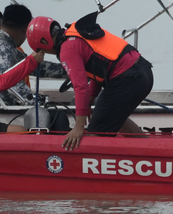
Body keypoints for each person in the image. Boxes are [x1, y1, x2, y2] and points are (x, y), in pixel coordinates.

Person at [28, 13, 150, 150]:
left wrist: (78, 127)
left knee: (94, 136)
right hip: (143, 71)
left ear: (45, 42)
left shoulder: (67, 49)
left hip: (127, 79)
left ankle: (147, 155)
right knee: (113, 117)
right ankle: (151, 148)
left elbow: (80, 87)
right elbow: (99, 70)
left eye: (40, 49)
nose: (43, 53)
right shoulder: (77, 32)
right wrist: (89, 102)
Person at [0, 4, 68, 108]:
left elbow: (41, 67)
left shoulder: (5, 46)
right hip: (2, 111)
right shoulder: (2, 50)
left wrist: (72, 69)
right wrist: (41, 101)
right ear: (25, 29)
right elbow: (16, 90)